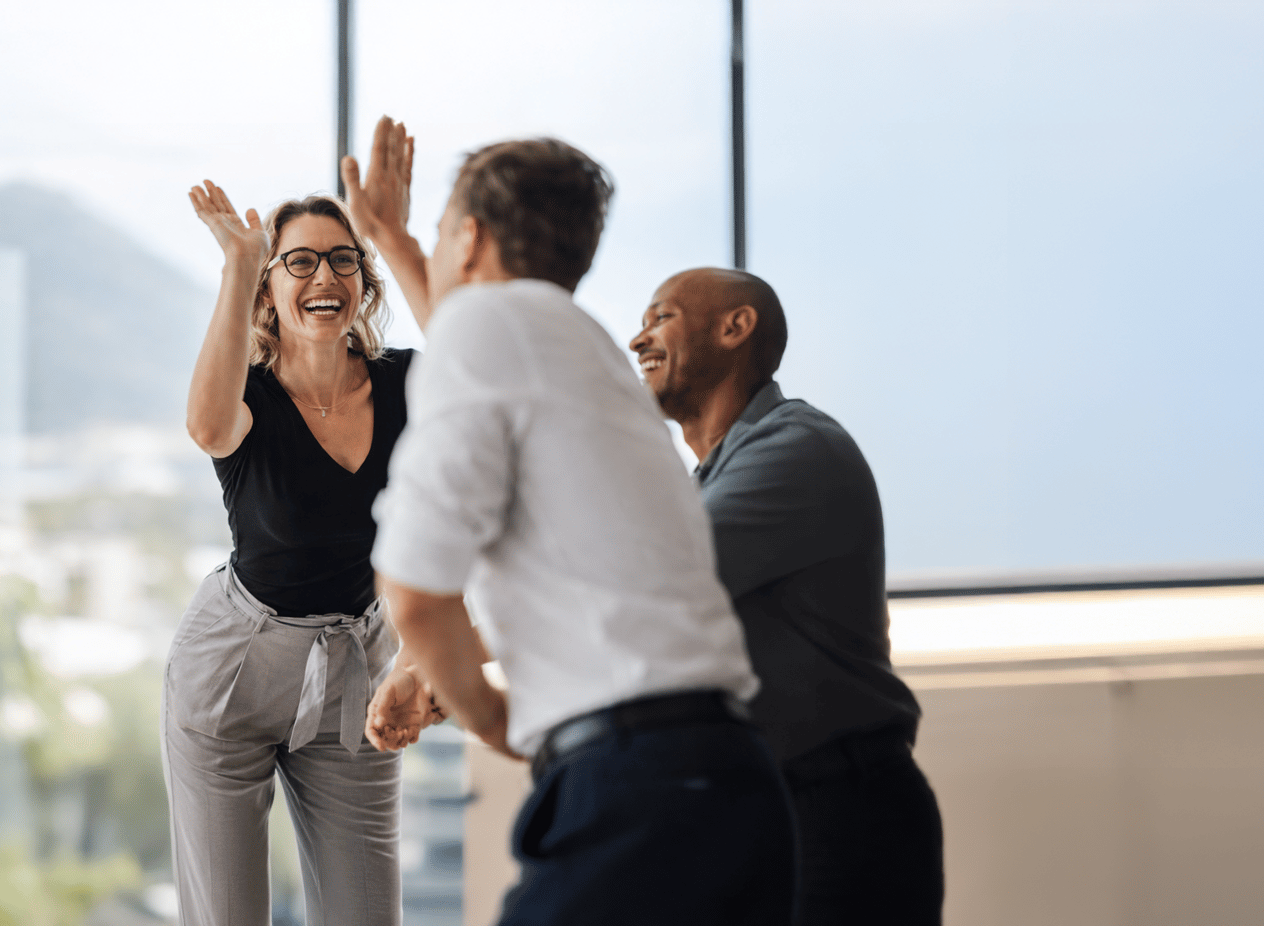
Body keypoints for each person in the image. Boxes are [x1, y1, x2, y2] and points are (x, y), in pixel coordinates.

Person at [355, 138, 798, 926]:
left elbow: (415, 593)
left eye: (444, 224)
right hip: (735, 782)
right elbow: (478, 331)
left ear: (471, 238)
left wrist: (495, 721)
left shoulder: (489, 334)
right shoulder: (584, 351)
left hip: (636, 788)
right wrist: (396, 242)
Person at [165, 138, 439, 926]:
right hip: (233, 670)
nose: (325, 275)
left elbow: (486, 367)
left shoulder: (409, 383)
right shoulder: (247, 393)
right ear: (268, 292)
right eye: (299, 262)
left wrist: (395, 236)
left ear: (365, 282)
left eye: (344, 260)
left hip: (355, 668)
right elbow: (207, 425)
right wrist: (235, 264)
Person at [628, 267, 944, 925]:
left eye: (660, 317)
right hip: (761, 815)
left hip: (837, 812)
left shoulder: (798, 449)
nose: (638, 339)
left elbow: (653, 585)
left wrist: (445, 662)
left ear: (735, 326)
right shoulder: (705, 484)